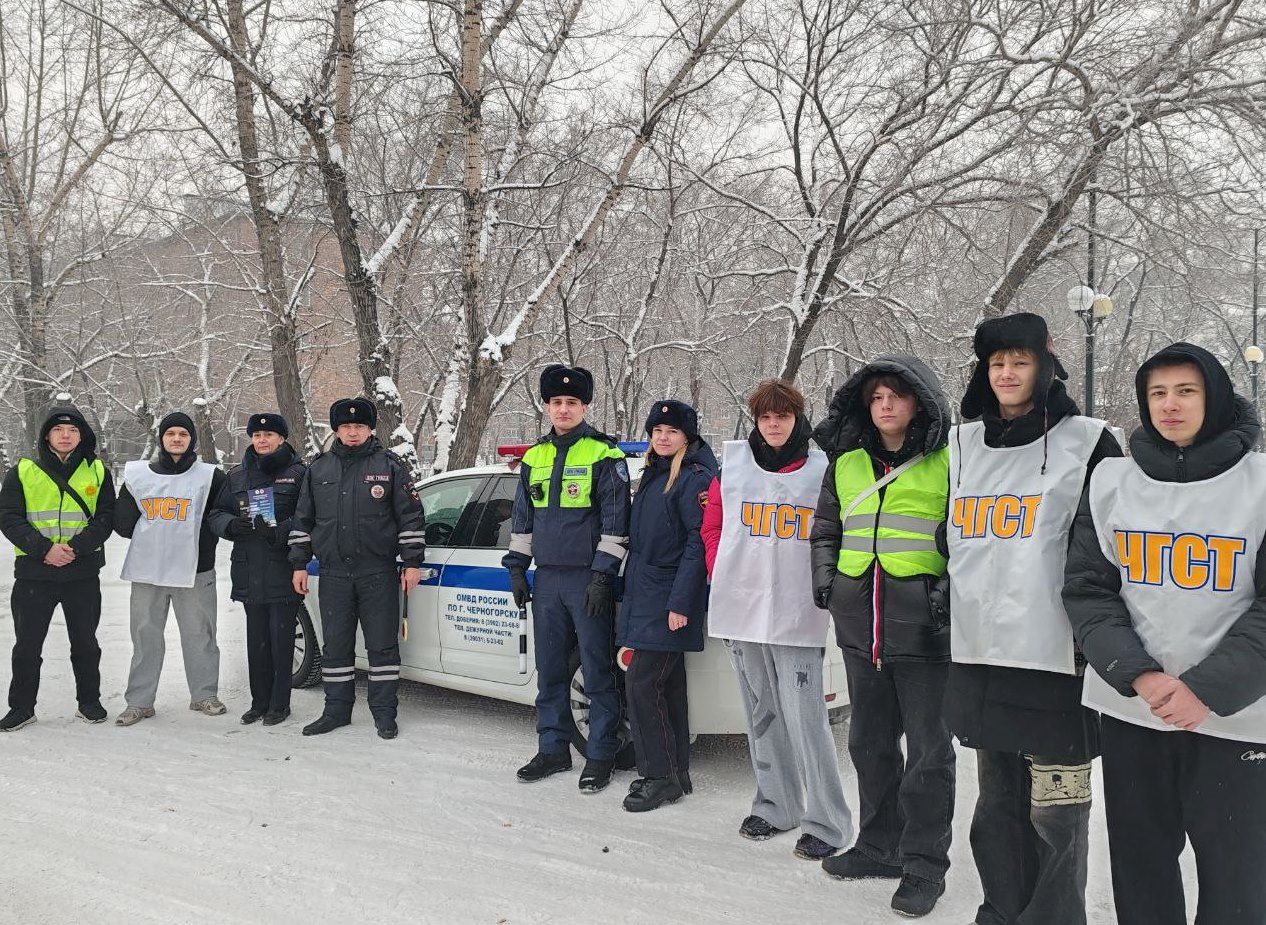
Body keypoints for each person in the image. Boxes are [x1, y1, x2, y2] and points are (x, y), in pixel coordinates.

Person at [1064, 343, 1266, 925]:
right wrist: (1140, 675)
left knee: (1237, 875)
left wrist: (1205, 688)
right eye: (1157, 393)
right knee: (1141, 866)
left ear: (1216, 398)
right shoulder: (1111, 482)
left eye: (1186, 391)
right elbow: (1087, 590)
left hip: (1235, 718)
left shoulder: (1257, 485)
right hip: (1136, 712)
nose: (1169, 405)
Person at [944, 312, 1121, 925]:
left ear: (1044, 366)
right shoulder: (961, 444)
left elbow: (1106, 551)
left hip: (1056, 664)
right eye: (997, 364)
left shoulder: (1090, 441)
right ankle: (1001, 909)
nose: (1008, 373)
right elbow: (954, 542)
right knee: (995, 806)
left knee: (1057, 813)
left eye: (1020, 361)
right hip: (983, 661)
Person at [809, 357, 955, 917]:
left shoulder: (947, 461)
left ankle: (923, 865)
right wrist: (829, 584)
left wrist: (946, 593)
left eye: (897, 395)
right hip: (858, 626)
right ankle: (878, 845)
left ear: (920, 401)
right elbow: (827, 528)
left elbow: (964, 534)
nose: (886, 405)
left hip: (923, 632)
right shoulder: (845, 464)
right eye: (876, 398)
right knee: (868, 745)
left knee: (929, 757)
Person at [701, 378, 854, 861]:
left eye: (782, 416)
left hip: (796, 610)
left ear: (796, 419)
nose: (773, 424)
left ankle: (827, 819)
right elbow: (713, 526)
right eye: (765, 417)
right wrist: (721, 569)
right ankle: (775, 805)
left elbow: (836, 530)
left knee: (807, 718)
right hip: (743, 607)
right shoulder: (733, 468)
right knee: (761, 712)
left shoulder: (821, 470)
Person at [502, 364, 631, 793]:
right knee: (551, 669)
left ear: (585, 406)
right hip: (548, 581)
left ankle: (600, 755)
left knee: (596, 671)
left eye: (571, 402)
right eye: (556, 402)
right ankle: (553, 748)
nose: (563, 409)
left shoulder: (604, 454)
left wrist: (602, 576)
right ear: (546, 406)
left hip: (587, 581)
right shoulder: (533, 457)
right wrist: (518, 568)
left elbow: (617, 523)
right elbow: (522, 520)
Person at [288, 398, 425, 739]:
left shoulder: (390, 465)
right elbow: (303, 520)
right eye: (346, 427)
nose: (353, 432)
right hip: (333, 573)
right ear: (336, 429)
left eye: (359, 426)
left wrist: (411, 562)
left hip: (376, 572)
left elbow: (410, 516)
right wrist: (299, 564)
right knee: (335, 646)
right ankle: (336, 711)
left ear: (370, 429)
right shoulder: (318, 469)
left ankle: (384, 713)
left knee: (382, 645)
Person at [617, 400, 717, 812]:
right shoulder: (656, 474)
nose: (662, 437)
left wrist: (681, 603)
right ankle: (676, 773)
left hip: (669, 597)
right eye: (657, 429)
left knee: (641, 684)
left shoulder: (695, 479)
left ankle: (657, 776)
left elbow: (698, 544)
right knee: (668, 686)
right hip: (647, 591)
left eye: (671, 431)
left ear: (687, 438)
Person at [0, 405, 116, 731]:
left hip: (81, 572)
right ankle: (22, 707)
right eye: (58, 430)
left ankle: (89, 702)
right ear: (47, 435)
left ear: (82, 435)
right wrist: (45, 550)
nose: (66, 435)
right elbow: (9, 517)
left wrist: (75, 549)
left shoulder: (97, 471)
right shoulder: (22, 471)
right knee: (27, 645)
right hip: (34, 573)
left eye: (73, 430)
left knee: (85, 642)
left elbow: (106, 516)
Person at [114, 412, 229, 726]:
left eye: (183, 433)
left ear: (191, 438)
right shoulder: (139, 476)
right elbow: (122, 522)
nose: (177, 438)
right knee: (145, 636)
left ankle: (204, 694)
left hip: (195, 569)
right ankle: (139, 702)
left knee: (200, 634)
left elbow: (220, 515)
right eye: (170, 434)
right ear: (161, 439)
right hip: (148, 569)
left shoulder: (210, 476)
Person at [208, 413, 307, 726]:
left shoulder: (298, 473)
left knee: (281, 641)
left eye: (269, 435)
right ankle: (258, 702)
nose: (262, 440)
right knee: (257, 642)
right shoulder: (237, 476)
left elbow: (309, 519)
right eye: (257, 435)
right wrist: (231, 525)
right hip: (248, 567)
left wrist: (279, 532)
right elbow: (215, 514)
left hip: (282, 566)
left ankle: (280, 704)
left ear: (282, 438)